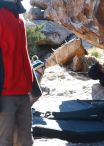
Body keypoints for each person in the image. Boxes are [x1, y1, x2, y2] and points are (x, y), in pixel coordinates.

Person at [0, 0, 39, 145]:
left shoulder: (19, 16)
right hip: (5, 94)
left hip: (23, 91)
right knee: (5, 141)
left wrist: (33, 86)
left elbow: (24, 53)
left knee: (26, 140)